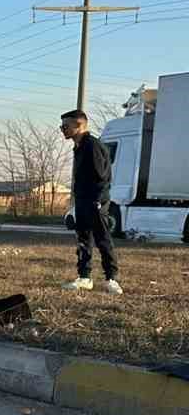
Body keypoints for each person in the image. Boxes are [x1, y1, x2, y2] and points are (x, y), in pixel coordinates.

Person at [61, 108, 121, 294]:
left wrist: (97, 201)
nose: (62, 129)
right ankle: (85, 277)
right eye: (61, 126)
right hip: (82, 200)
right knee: (83, 240)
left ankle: (112, 279)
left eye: (65, 126)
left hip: (96, 201)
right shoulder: (78, 147)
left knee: (103, 239)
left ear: (79, 126)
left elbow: (102, 177)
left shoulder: (92, 146)